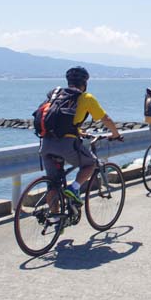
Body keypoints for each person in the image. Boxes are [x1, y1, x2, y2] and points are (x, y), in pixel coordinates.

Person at [39, 66, 122, 205]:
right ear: (85, 83)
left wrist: (78, 131)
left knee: (53, 185)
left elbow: (57, 120)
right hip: (66, 145)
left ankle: (55, 220)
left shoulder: (55, 94)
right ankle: (74, 187)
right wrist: (116, 134)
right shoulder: (86, 97)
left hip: (45, 143)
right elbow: (106, 119)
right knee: (91, 164)